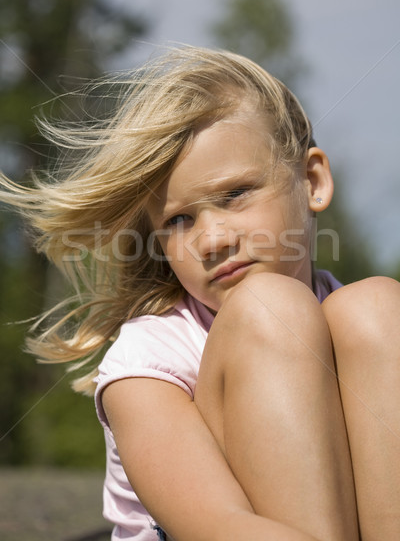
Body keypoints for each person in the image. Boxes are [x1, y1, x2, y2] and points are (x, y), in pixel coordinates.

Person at [1, 46, 399, 541]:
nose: (212, 240)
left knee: (377, 304)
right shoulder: (150, 360)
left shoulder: (364, 323)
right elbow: (216, 526)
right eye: (178, 220)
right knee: (270, 313)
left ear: (311, 181)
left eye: (235, 195)